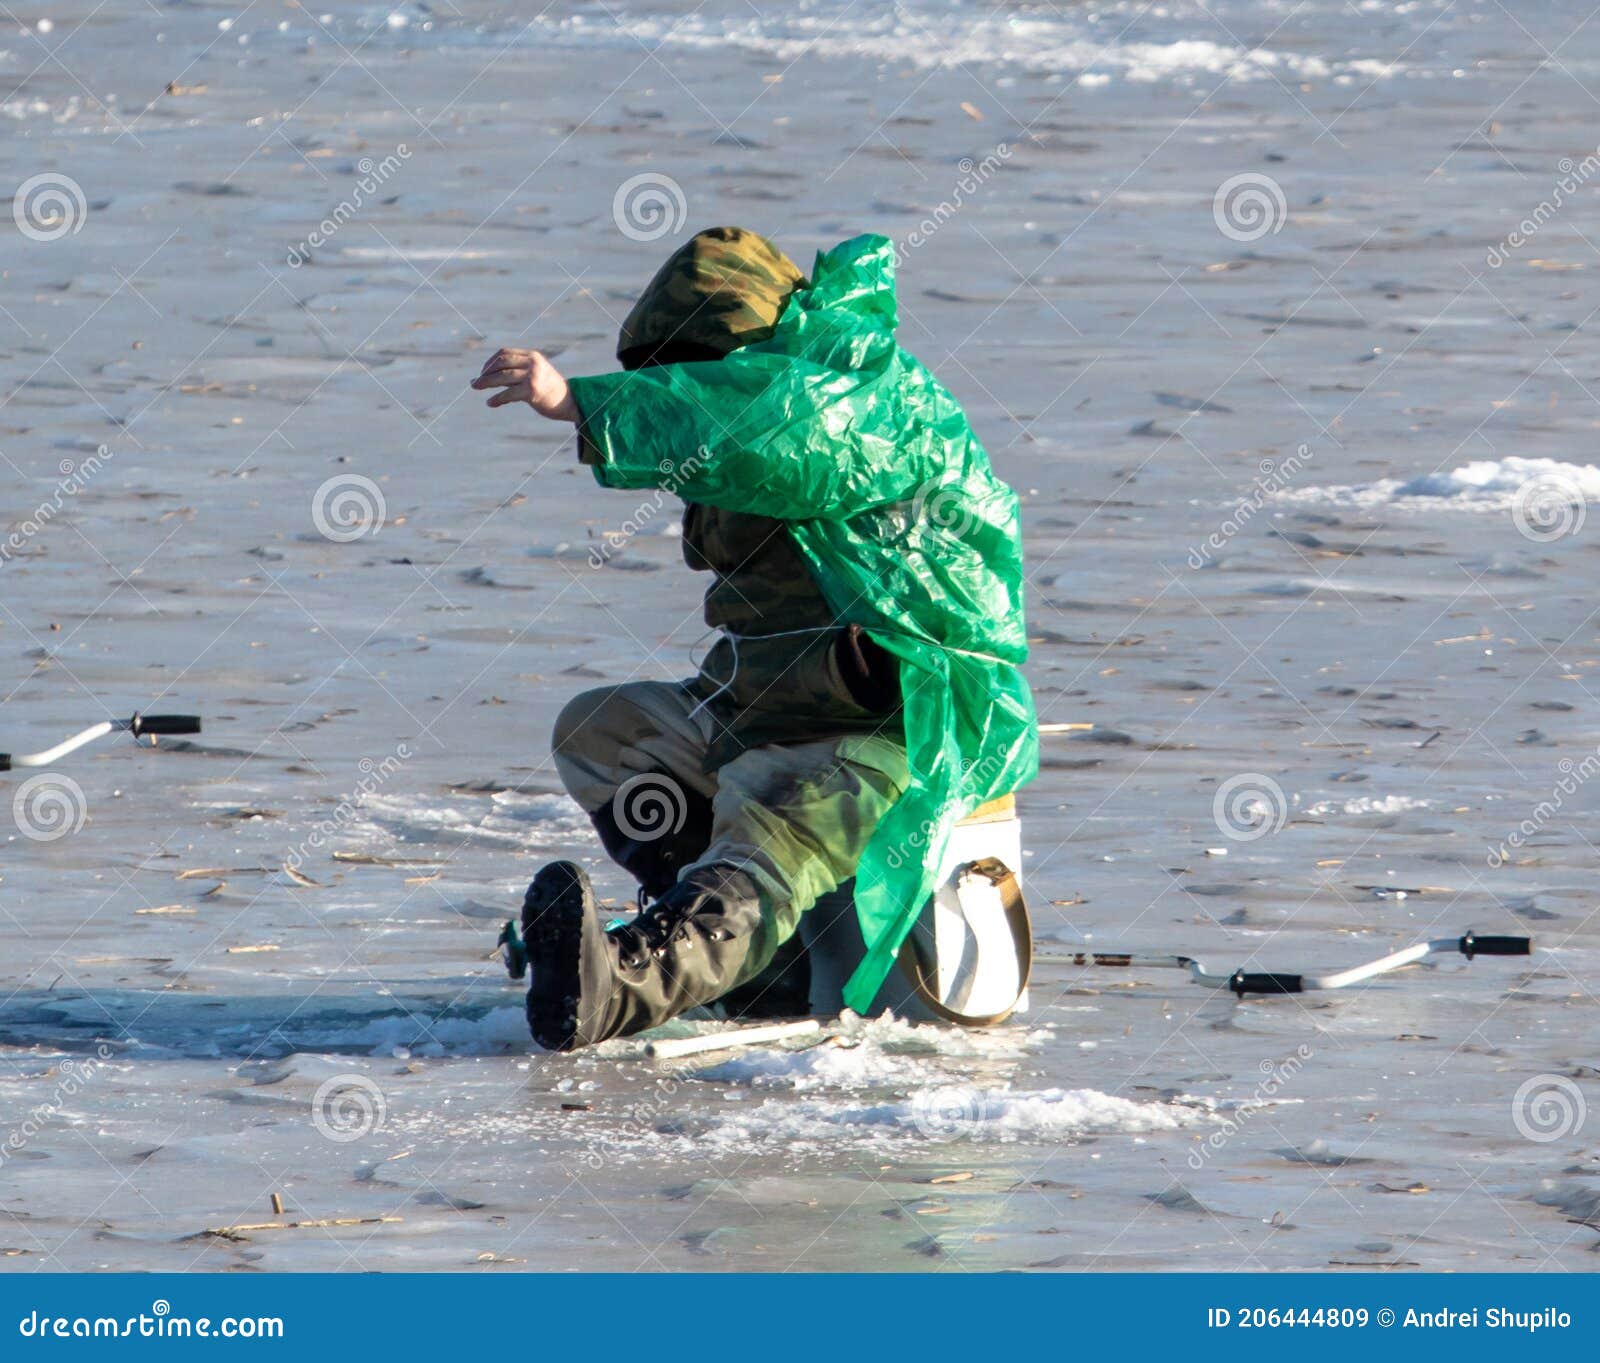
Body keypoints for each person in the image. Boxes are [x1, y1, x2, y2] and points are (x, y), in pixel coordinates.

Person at [473, 226, 1035, 1051]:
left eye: (699, 370)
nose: (690, 388)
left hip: (895, 726)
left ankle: (624, 984)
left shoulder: (861, 398)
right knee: (604, 735)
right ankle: (757, 967)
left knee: (769, 841)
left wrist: (586, 403)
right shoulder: (775, 409)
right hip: (773, 704)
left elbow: (775, 433)